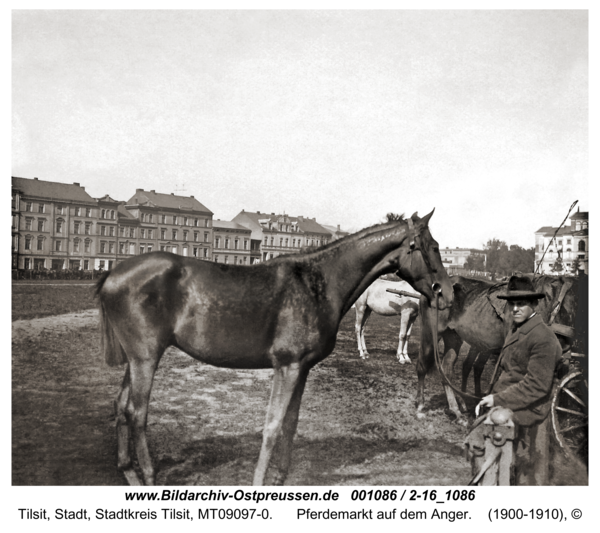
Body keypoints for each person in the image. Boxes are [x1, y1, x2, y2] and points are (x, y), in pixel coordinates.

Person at [476, 275, 562, 485]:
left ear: (534, 304)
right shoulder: (520, 330)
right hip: (513, 405)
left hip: (529, 413)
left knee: (527, 477)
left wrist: (497, 399)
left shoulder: (542, 337)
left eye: (521, 304)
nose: (515, 309)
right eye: (512, 304)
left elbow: (536, 386)